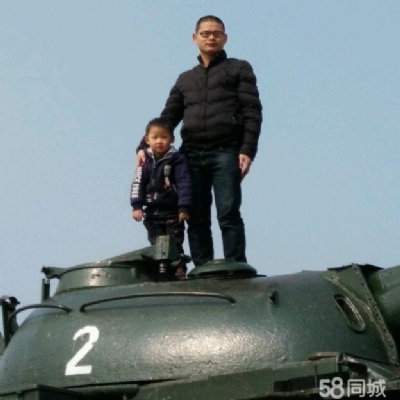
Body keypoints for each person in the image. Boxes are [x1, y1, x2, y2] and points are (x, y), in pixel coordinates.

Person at [137, 15, 262, 266]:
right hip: (190, 156)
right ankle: (202, 269)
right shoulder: (185, 79)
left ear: (225, 38)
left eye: (217, 33)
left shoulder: (239, 69)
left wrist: (247, 150)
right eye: (205, 33)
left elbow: (252, 111)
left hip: (226, 151)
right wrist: (143, 145)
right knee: (196, 217)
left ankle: (236, 268)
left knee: (228, 213)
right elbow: (168, 117)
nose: (211, 37)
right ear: (195, 38)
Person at [131, 117, 192, 278]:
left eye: (164, 137)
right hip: (152, 213)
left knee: (175, 244)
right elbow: (138, 183)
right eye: (155, 137)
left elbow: (184, 183)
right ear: (147, 140)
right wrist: (137, 206)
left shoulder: (177, 159)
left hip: (173, 213)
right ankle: (160, 273)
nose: (159, 141)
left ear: (172, 139)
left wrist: (184, 207)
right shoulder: (145, 161)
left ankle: (179, 271)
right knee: (156, 246)